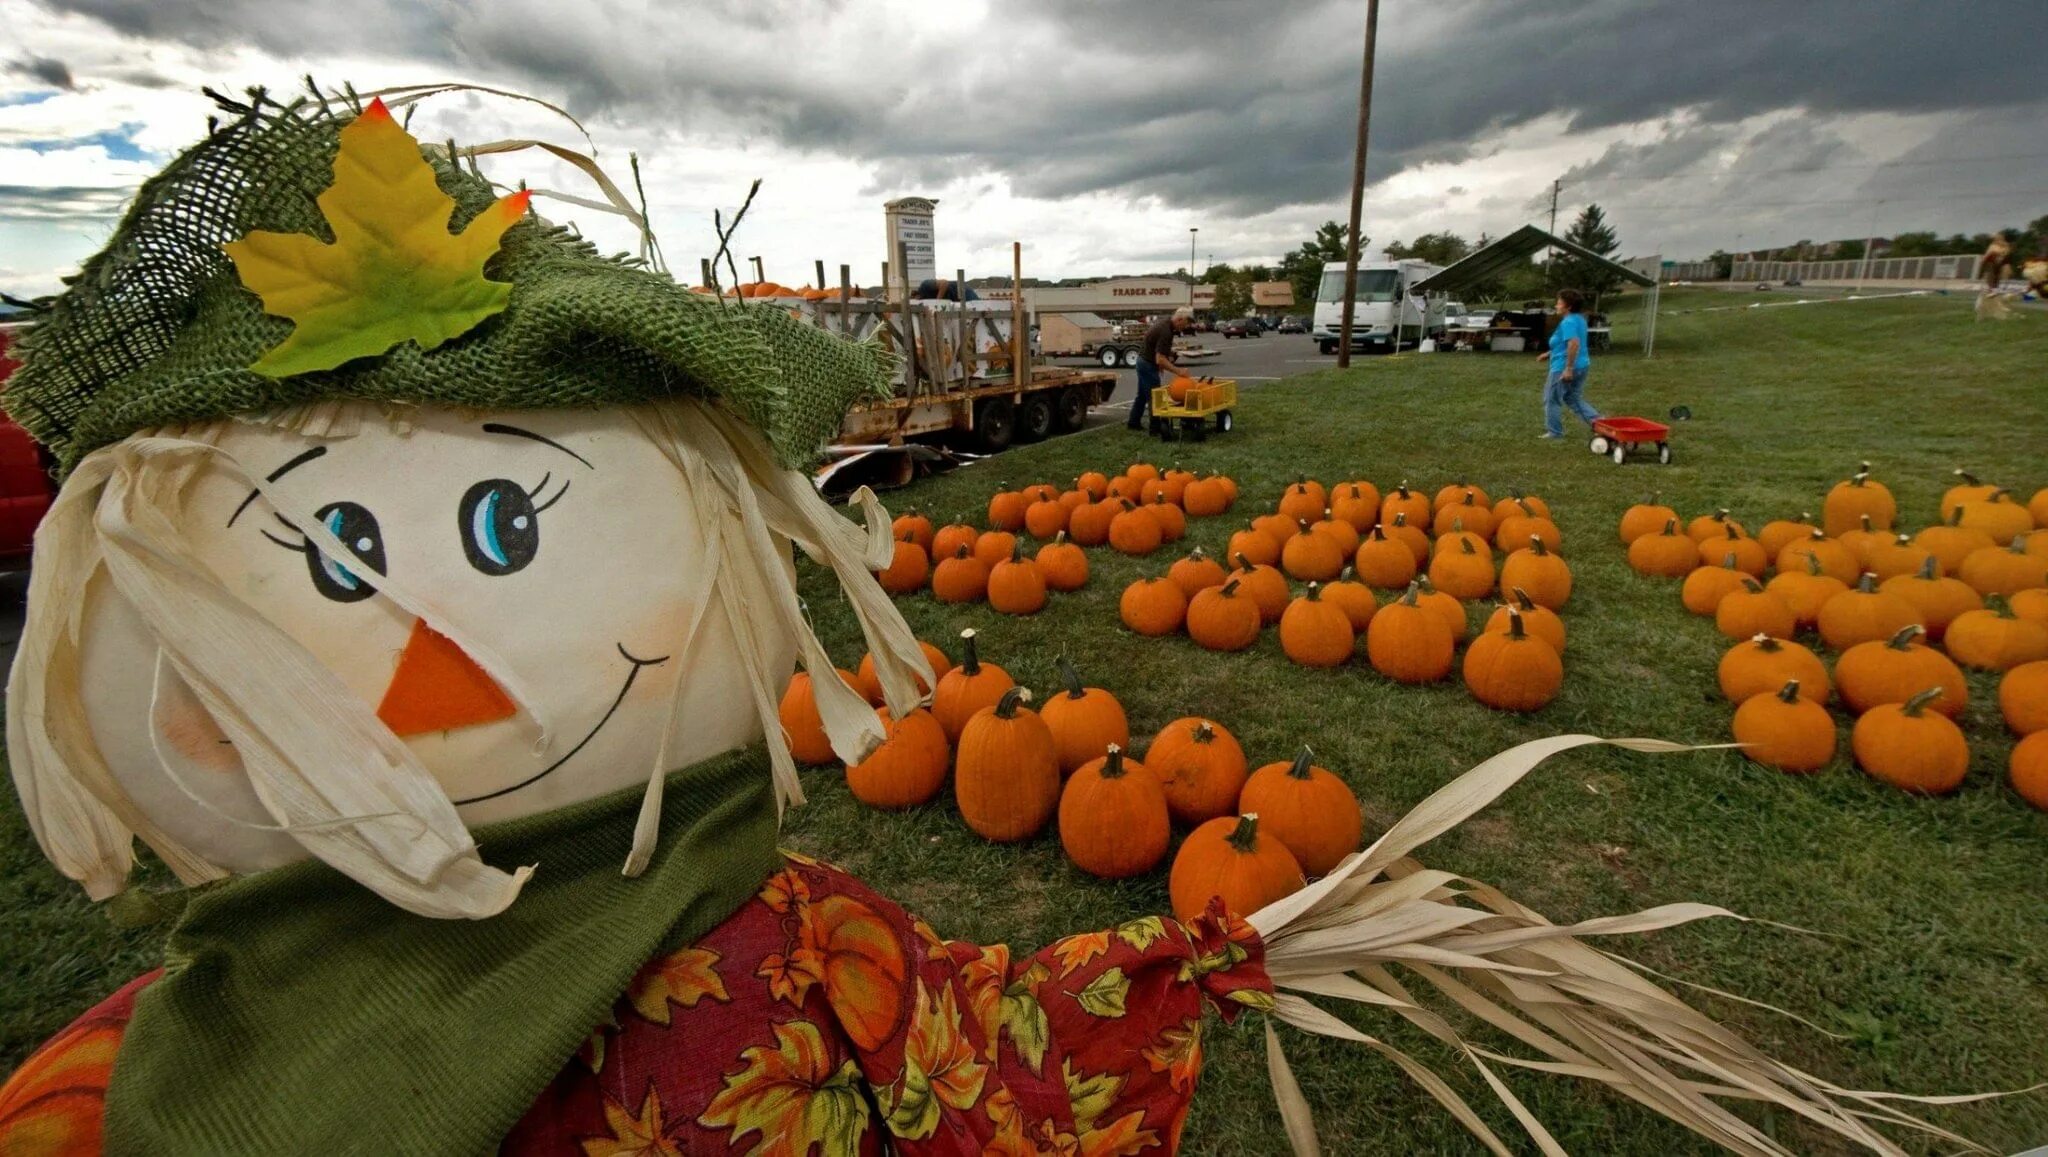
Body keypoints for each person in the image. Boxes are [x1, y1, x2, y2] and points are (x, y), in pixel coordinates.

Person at [1540, 288, 1599, 440]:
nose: (1556, 306)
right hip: (1582, 365)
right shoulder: (1579, 319)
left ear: (1569, 307)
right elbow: (1564, 344)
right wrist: (1549, 353)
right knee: (1573, 399)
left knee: (1552, 399)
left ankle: (1555, 433)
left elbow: (1573, 344)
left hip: (1564, 368)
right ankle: (1600, 424)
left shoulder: (1568, 322)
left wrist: (1568, 369)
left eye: (1559, 303)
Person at [1127, 305, 1191, 430]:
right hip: (1147, 364)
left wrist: (1165, 360)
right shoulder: (1165, 330)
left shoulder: (1167, 325)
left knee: (1142, 395)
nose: (1184, 328)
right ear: (1179, 320)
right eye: (1184, 324)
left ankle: (1133, 423)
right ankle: (1156, 428)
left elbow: (1160, 352)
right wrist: (1179, 371)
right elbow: (1160, 358)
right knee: (1155, 397)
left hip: (1144, 361)